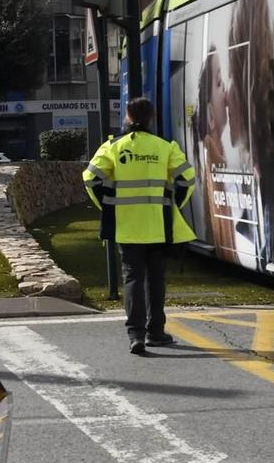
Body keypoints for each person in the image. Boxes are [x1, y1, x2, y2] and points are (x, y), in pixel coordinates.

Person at [82, 97, 197, 355]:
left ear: (127, 116)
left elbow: (90, 178)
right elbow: (188, 178)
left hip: (126, 226)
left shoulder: (114, 147)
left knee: (133, 277)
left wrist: (107, 205)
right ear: (152, 117)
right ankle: (156, 331)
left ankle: (136, 335)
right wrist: (173, 204)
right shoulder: (165, 147)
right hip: (157, 225)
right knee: (156, 280)